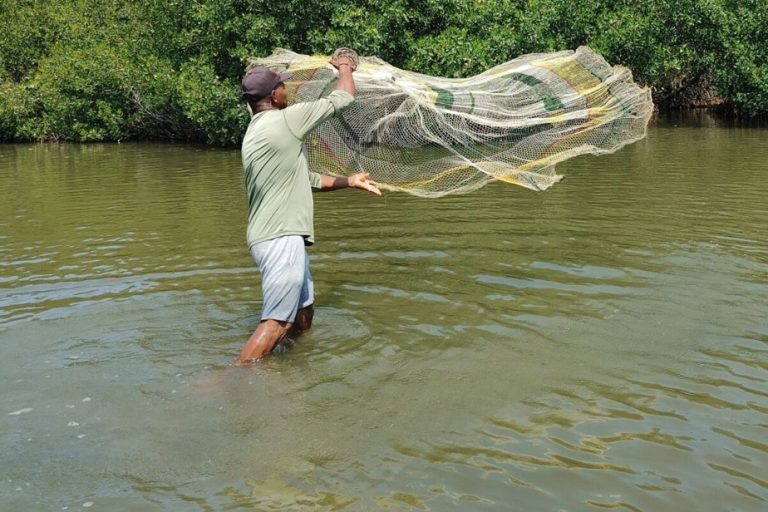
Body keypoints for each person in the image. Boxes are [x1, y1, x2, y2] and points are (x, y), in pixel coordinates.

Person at [238, 49, 381, 363]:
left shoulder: (257, 132)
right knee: (277, 322)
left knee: (303, 313)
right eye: (282, 86)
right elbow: (343, 96)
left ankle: (299, 362)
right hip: (280, 236)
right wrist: (345, 65)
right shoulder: (285, 120)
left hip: (275, 236)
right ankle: (230, 379)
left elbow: (307, 178)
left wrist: (349, 181)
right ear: (274, 97)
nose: (286, 89)